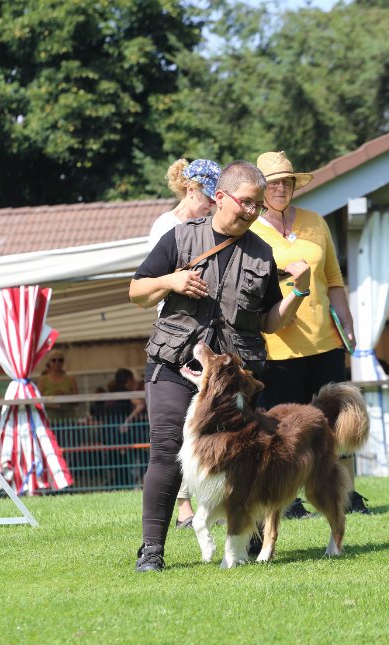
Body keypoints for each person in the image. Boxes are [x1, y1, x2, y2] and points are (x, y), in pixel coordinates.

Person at [129, 159, 311, 572]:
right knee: (166, 449)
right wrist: (171, 281)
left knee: (247, 453)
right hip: (175, 363)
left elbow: (269, 322)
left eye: (258, 205)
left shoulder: (262, 254)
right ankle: (152, 550)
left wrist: (298, 292)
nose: (252, 211)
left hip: (232, 377)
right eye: (246, 202)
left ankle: (248, 538)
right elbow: (137, 291)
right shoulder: (180, 237)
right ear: (221, 196)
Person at [250, 150, 369, 518]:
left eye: (286, 182)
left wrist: (348, 324)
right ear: (260, 189)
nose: (281, 188)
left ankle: (346, 494)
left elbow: (333, 278)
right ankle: (287, 500)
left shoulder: (316, 222)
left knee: (336, 422)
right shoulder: (249, 231)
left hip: (325, 340)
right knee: (283, 428)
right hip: (277, 346)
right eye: (273, 183)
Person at [149, 157, 221, 527]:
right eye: (208, 196)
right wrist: (176, 279)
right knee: (175, 429)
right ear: (190, 189)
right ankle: (182, 507)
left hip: (207, 333)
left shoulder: (211, 225)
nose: (212, 204)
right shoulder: (167, 226)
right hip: (176, 334)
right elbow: (152, 282)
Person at [37, 349, 78, 421]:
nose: (57, 363)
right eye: (54, 360)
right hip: (50, 420)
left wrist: (64, 396)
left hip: (68, 420)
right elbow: (38, 402)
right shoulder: (42, 380)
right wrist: (53, 403)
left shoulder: (71, 379)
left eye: (60, 360)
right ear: (49, 363)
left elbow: (77, 402)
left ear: (63, 362)